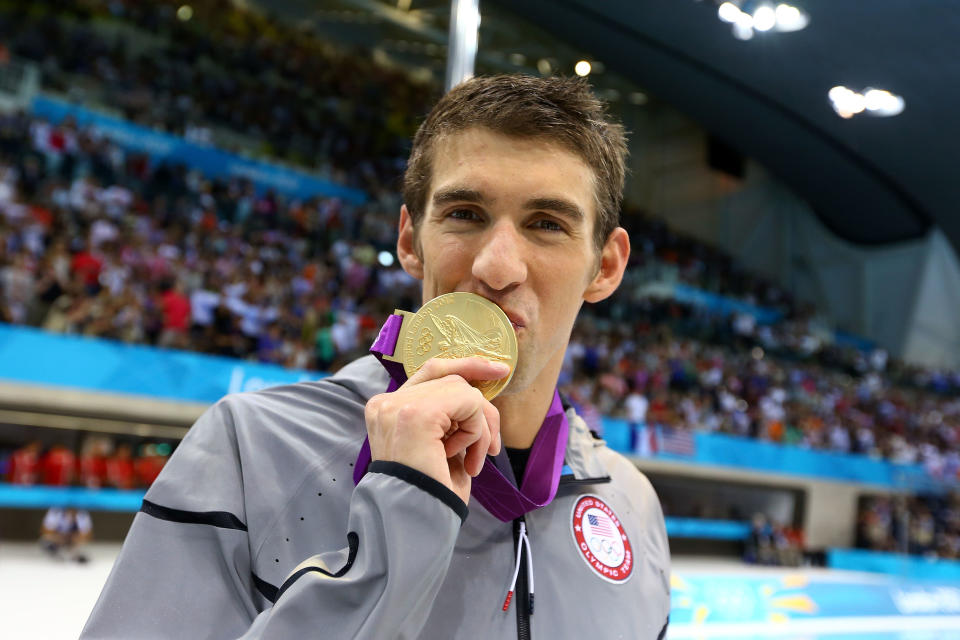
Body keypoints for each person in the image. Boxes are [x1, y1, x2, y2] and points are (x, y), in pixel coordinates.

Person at [82, 75, 671, 639]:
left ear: (607, 266)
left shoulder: (631, 503)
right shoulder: (254, 450)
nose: (497, 267)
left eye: (546, 224)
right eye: (465, 214)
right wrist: (396, 530)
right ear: (411, 241)